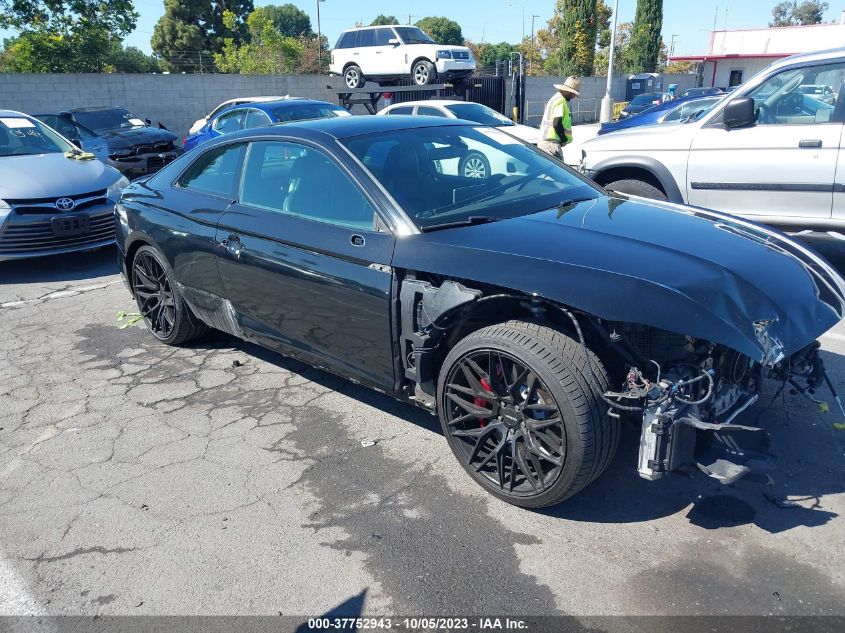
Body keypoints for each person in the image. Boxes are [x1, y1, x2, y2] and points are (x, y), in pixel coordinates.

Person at [538, 76, 580, 159]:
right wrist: (563, 139)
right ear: (567, 91)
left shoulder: (557, 98)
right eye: (573, 93)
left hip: (548, 142)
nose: (573, 96)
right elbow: (556, 123)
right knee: (559, 167)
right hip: (551, 144)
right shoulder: (560, 100)